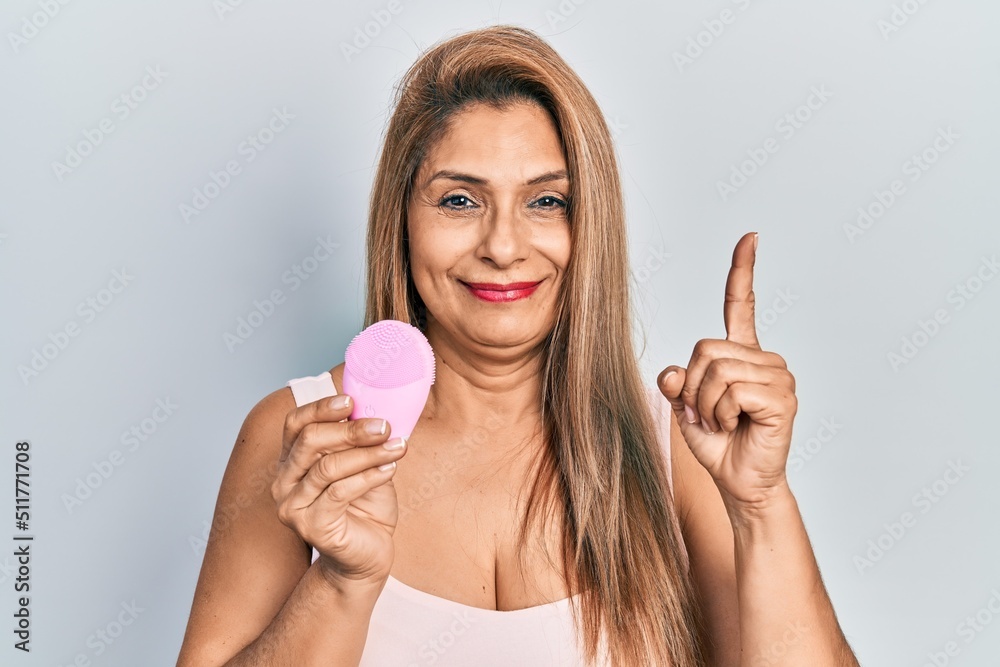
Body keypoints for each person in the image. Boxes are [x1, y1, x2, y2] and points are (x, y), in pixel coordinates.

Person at [177, 24, 859, 666]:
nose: (503, 246)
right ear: (402, 221)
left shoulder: (681, 450)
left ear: (590, 226)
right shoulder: (299, 437)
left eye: (546, 202)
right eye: (459, 201)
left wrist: (762, 505)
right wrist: (340, 583)